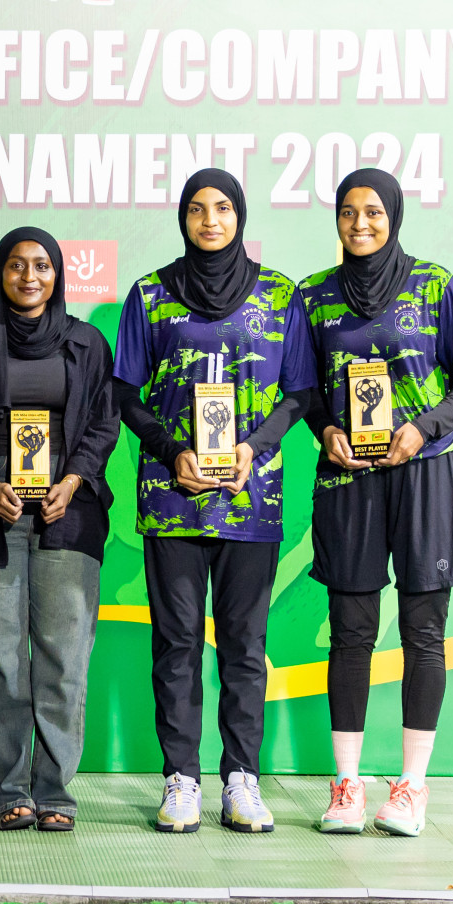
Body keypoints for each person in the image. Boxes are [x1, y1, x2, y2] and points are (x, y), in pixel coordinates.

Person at [112, 168, 316, 833]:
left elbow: (298, 394)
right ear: (182, 217)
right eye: (197, 209)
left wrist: (254, 446)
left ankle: (241, 779)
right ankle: (180, 780)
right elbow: (127, 396)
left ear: (240, 215)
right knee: (175, 643)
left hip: (249, 497)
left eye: (223, 208)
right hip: (171, 497)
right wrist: (175, 452)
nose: (210, 220)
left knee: (243, 646)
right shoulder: (150, 295)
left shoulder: (280, 295)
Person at [301, 168, 453, 837]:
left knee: (423, 634)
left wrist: (423, 428)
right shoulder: (315, 297)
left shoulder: (435, 285)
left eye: (373, 212)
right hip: (349, 479)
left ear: (394, 215)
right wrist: (326, 430)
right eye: (348, 212)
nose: (360, 224)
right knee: (351, 633)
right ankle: (347, 787)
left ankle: (410, 788)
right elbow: (305, 389)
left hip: (427, 472)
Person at [0, 228, 118, 833]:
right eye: (16, 265)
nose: (30, 276)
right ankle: (8, 790)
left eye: (41, 265)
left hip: (70, 517)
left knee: (63, 660)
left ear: (58, 273)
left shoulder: (87, 344)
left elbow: (103, 427)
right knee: (1, 660)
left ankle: (56, 793)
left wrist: (72, 482)